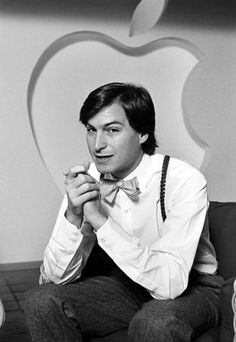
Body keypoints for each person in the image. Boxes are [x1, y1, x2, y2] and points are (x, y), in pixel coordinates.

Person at [24, 82, 223, 341]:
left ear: (142, 133)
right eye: (91, 130)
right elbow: (52, 279)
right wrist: (73, 216)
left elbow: (170, 284)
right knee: (40, 301)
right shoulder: (88, 179)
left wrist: (99, 220)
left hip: (193, 287)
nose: (97, 144)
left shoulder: (183, 179)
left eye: (112, 130)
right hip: (125, 282)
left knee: (154, 322)